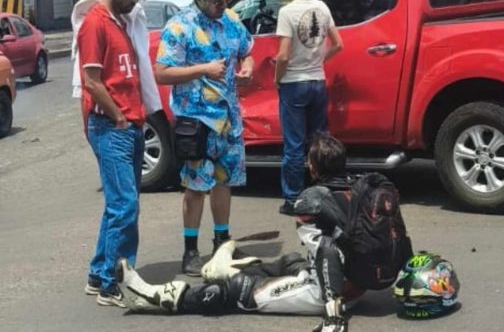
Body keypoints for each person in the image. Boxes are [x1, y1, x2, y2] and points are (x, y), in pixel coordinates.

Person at [117, 134, 379, 332]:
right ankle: (226, 271)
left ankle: (152, 297)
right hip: (356, 283)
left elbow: (327, 251)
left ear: (313, 167)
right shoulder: (357, 192)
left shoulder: (314, 203)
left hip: (325, 292)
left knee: (236, 292)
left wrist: (332, 311)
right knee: (288, 261)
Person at [155, 0, 255, 276]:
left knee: (225, 182)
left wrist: (247, 69)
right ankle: (190, 251)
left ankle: (222, 243)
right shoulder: (180, 26)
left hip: (229, 122)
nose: (222, 6)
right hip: (197, 123)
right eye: (216, 2)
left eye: (225, 0)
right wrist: (203, 69)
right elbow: (162, 72)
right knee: (196, 188)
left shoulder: (232, 20)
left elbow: (247, 51)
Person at [77, 0, 147, 307]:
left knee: (117, 205)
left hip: (128, 124)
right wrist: (118, 115)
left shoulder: (119, 20)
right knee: (125, 206)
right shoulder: (95, 23)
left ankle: (98, 274)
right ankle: (112, 283)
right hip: (112, 126)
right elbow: (92, 80)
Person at [274, 0, 344, 215]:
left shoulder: (287, 12)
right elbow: (338, 44)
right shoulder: (321, 7)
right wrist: (318, 62)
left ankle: (293, 199)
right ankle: (323, 193)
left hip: (293, 83)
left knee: (294, 145)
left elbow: (283, 55)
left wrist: (278, 78)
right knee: (319, 142)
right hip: (317, 81)